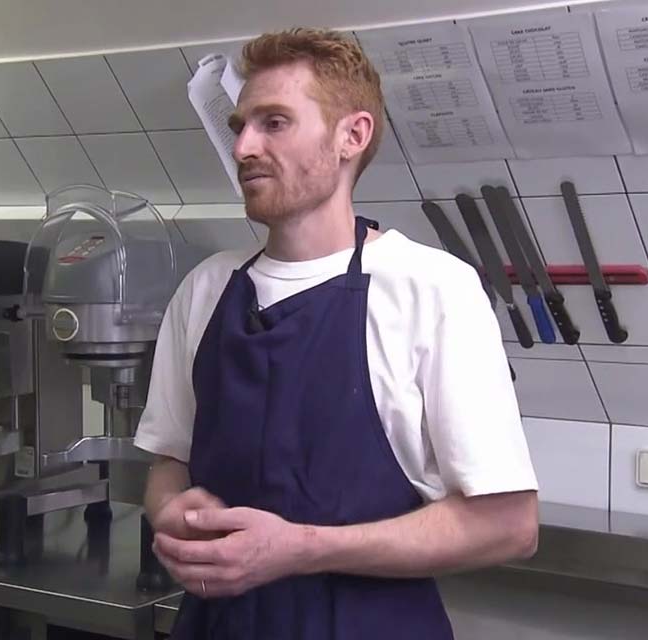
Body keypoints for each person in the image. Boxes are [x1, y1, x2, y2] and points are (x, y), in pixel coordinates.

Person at [133, 27, 539, 639]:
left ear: (352, 135)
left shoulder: (431, 289)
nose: (242, 146)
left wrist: (301, 547)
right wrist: (170, 512)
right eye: (240, 124)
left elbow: (508, 525)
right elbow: (171, 461)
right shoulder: (206, 289)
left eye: (273, 123)